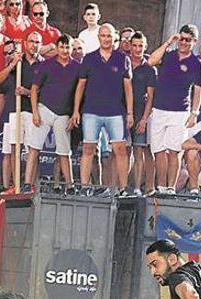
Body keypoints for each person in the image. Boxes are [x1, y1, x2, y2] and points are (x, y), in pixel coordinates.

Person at [72, 23, 134, 195]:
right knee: (88, 149)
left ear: (114, 38)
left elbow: (128, 88)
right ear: (98, 37)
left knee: (120, 150)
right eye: (103, 35)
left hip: (116, 111)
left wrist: (129, 112)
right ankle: (85, 187)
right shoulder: (89, 58)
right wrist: (76, 110)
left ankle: (122, 189)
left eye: (109, 36)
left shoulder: (123, 59)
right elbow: (80, 86)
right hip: (91, 111)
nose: (106, 39)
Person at [148, 24, 201, 195]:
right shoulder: (169, 55)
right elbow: (151, 61)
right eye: (181, 38)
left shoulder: (197, 63)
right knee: (157, 150)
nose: (183, 43)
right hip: (159, 109)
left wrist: (194, 113)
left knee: (174, 151)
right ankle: (161, 186)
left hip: (180, 111)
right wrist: (168, 43)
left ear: (194, 42)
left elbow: (198, 89)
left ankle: (171, 188)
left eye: (188, 40)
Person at [27, 34, 79, 192]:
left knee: (64, 151)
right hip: (44, 109)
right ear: (57, 48)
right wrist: (35, 112)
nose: (65, 50)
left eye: (67, 47)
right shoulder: (46, 65)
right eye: (62, 47)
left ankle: (70, 185)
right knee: (34, 148)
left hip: (64, 113)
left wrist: (74, 113)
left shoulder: (77, 67)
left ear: (71, 48)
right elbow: (34, 89)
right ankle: (27, 183)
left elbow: (79, 92)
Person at [0, 31, 41, 191]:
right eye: (32, 41)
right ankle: (16, 185)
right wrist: (13, 64)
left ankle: (30, 185)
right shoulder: (18, 63)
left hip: (34, 111)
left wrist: (27, 92)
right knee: (15, 147)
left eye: (37, 42)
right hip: (16, 110)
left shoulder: (43, 64)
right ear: (26, 43)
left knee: (32, 149)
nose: (34, 45)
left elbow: (47, 91)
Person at [126, 30, 155, 196]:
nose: (137, 49)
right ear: (130, 46)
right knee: (121, 151)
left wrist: (144, 119)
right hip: (121, 111)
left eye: (141, 46)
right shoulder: (123, 62)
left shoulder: (149, 68)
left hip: (140, 113)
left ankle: (137, 188)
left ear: (145, 47)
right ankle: (118, 187)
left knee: (138, 151)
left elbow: (150, 96)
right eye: (135, 45)